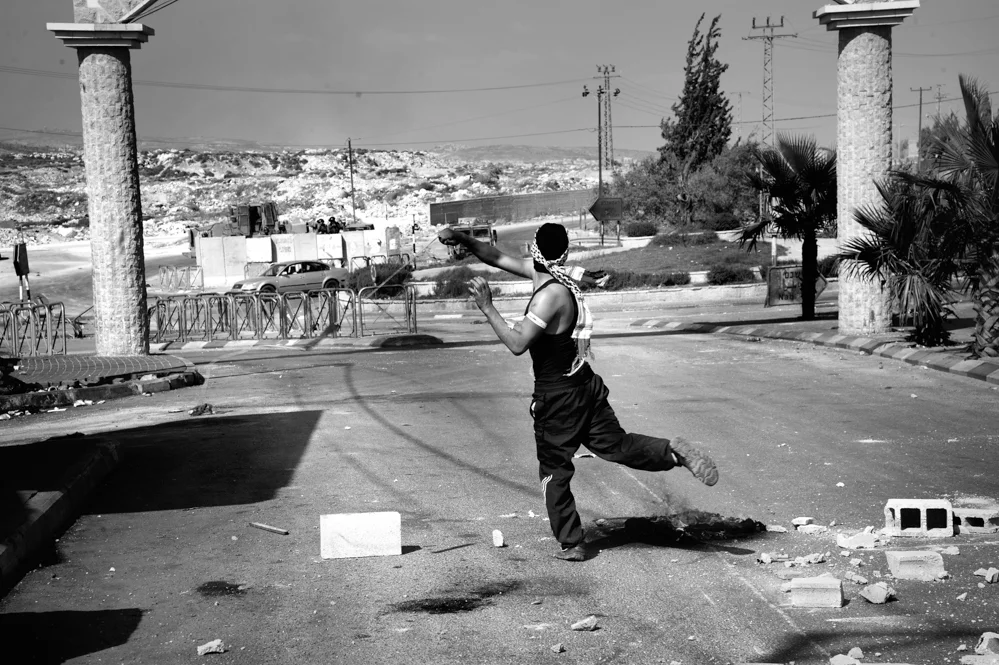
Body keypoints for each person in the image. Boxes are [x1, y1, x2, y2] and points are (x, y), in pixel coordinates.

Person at [438, 223, 719, 561]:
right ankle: (673, 453)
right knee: (618, 446)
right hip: (585, 387)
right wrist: (463, 239)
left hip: (559, 399)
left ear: (533, 249)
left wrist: (487, 307)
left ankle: (573, 542)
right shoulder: (553, 278)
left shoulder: (548, 297)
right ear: (563, 253)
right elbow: (496, 256)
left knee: (554, 472)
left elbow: (516, 343)